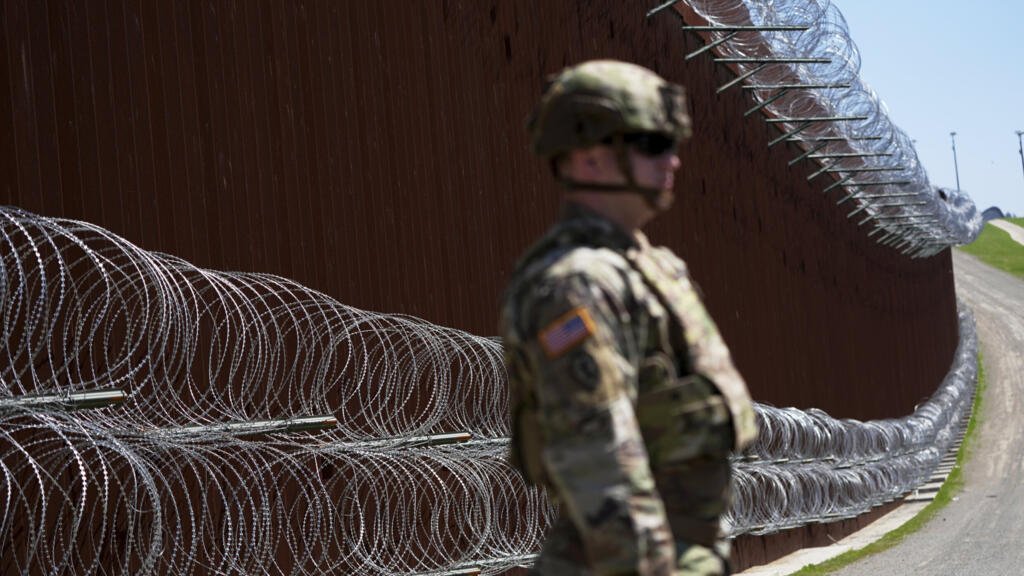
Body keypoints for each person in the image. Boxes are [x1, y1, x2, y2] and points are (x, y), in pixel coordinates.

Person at [500, 60, 758, 575]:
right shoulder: (577, 286)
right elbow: (601, 461)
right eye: (653, 144)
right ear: (588, 159)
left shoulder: (650, 268)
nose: (673, 162)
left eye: (673, 144)